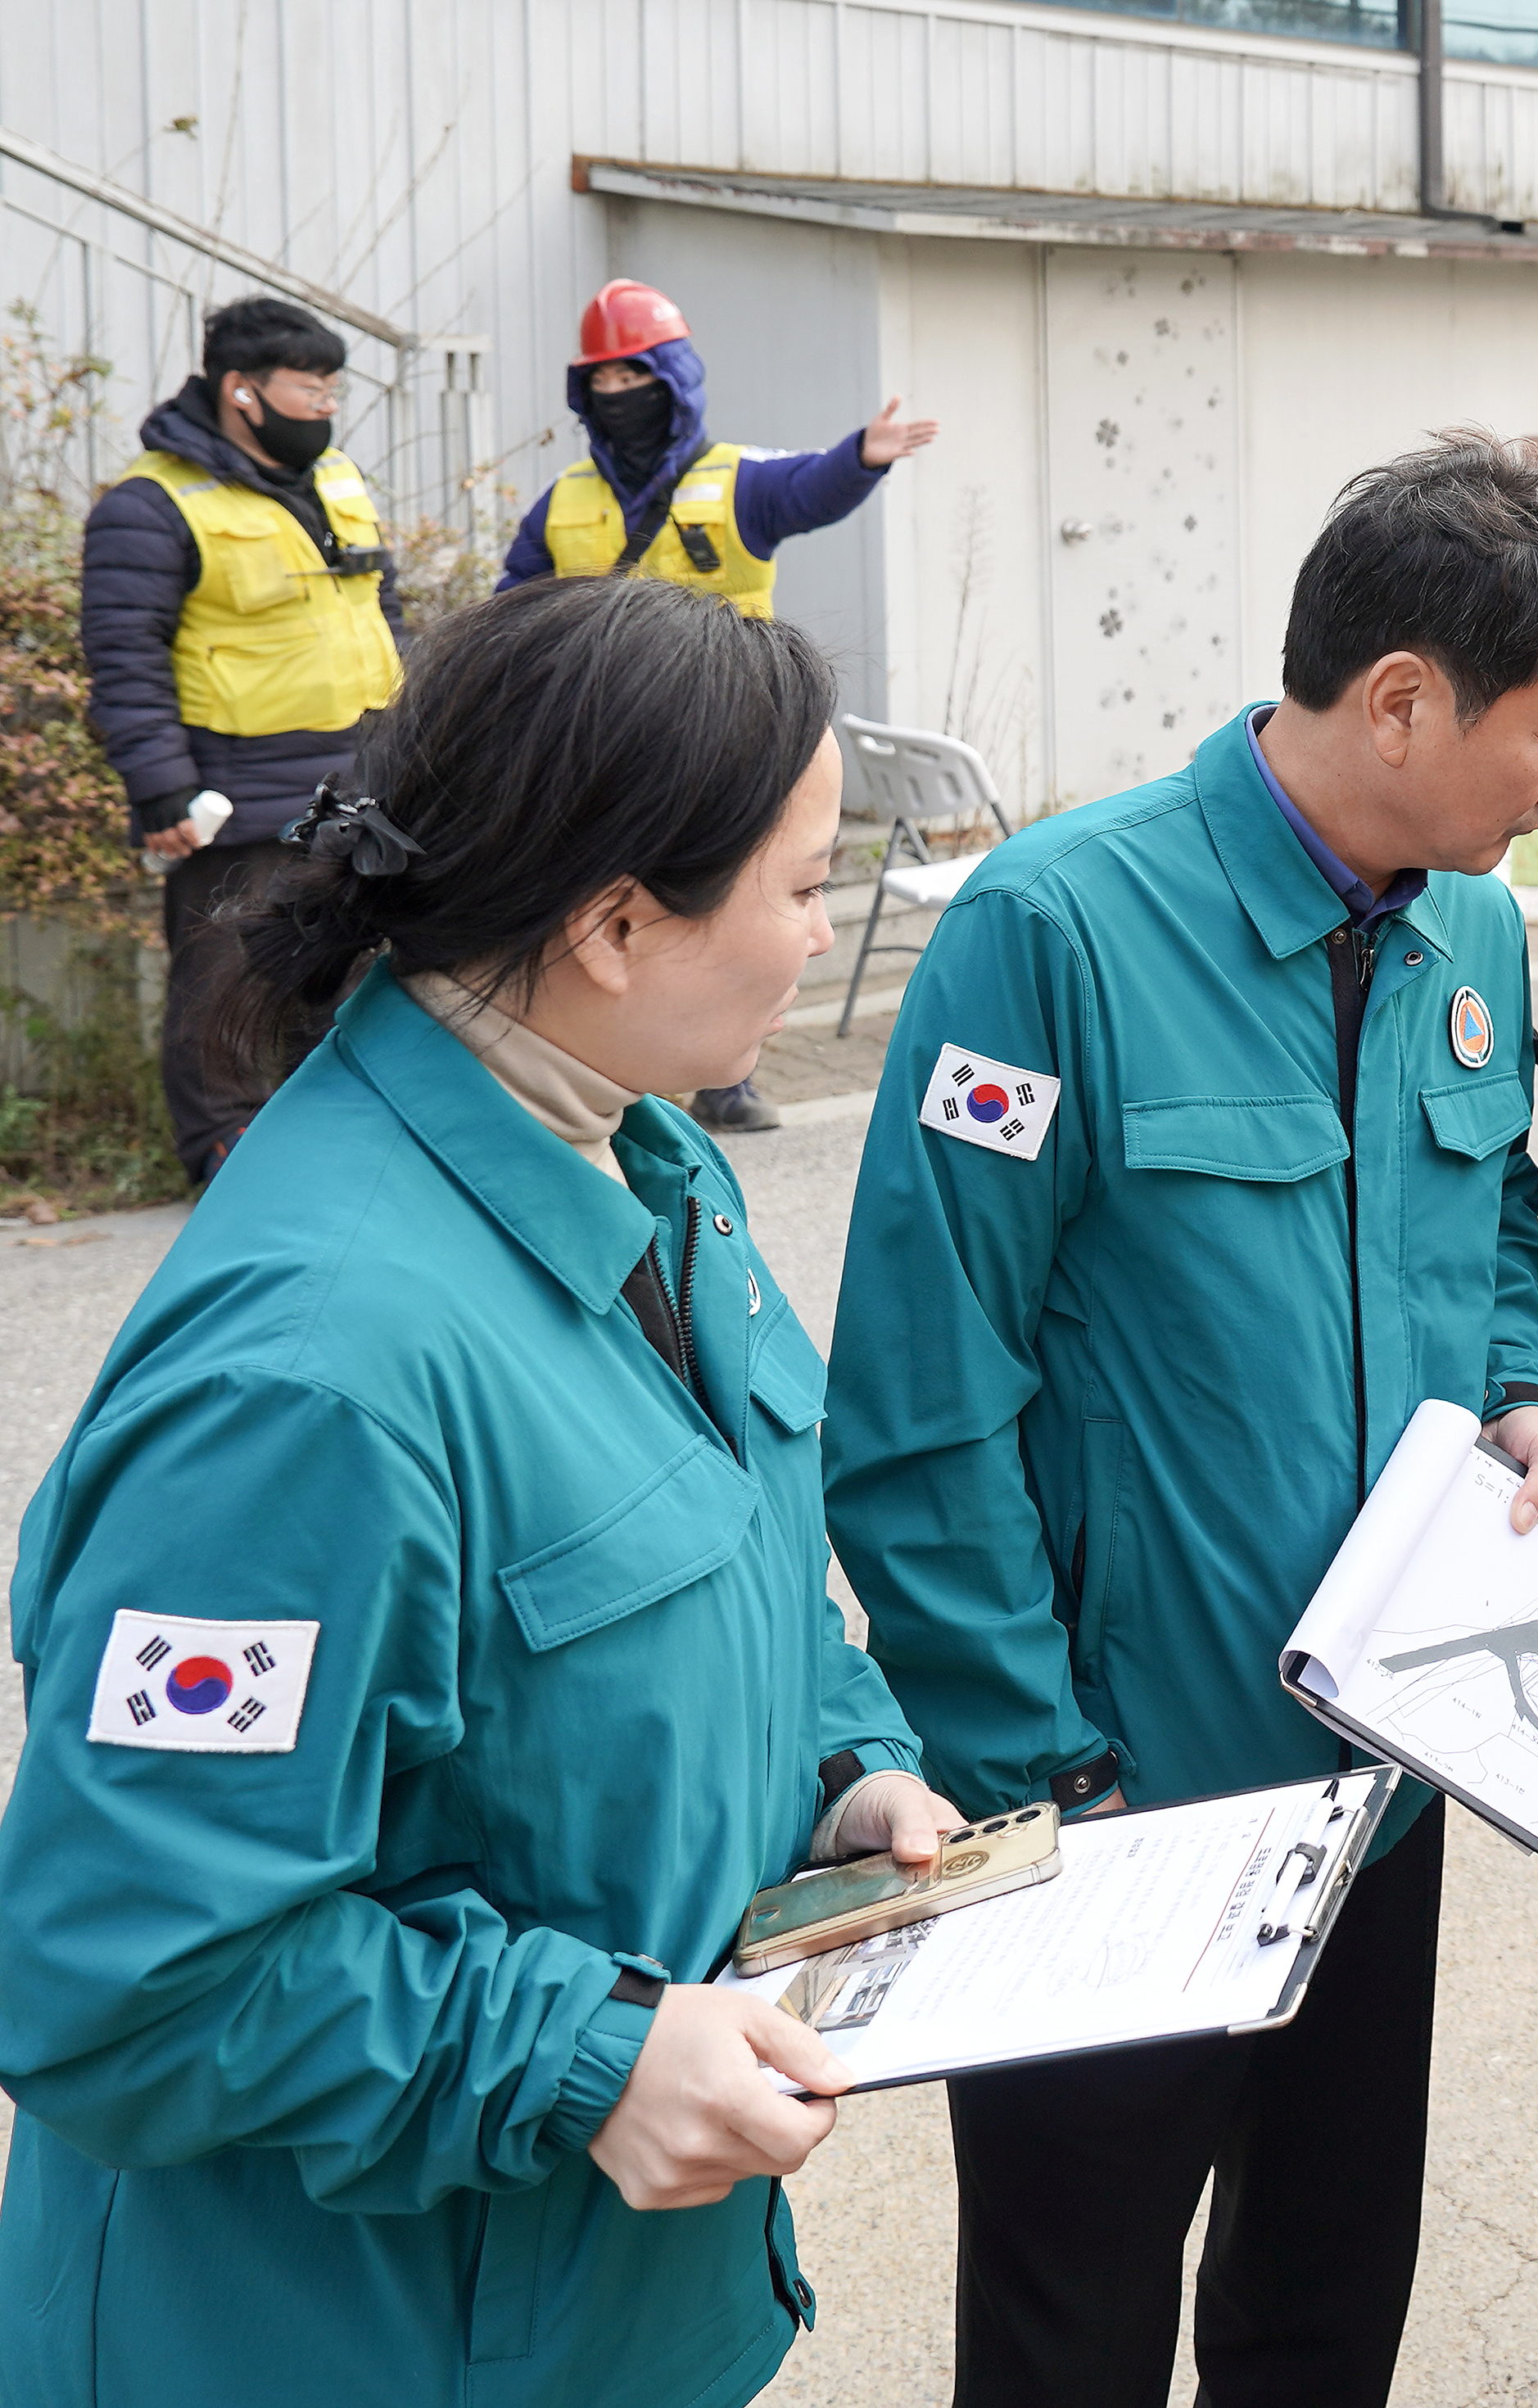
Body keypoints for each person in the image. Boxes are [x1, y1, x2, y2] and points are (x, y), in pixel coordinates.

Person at [0, 574, 961, 2408]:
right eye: (804, 884)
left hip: (594, 2315)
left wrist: (842, 1770)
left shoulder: (644, 1156)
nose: (826, 928)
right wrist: (584, 2058)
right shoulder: (309, 1381)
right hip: (343, 2343)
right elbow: (120, 1978)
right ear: (614, 921)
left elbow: (727, 1565)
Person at [823, 431, 1538, 2408]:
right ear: (1401, 701)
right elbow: (923, 1406)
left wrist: (1520, 1387)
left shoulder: (1464, 928)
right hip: (1121, 1802)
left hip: (1377, 1782)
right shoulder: (1057, 931)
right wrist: (1046, 1772)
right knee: (1075, 2333)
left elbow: (1494, 1211)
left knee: (1321, 2308)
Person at [499, 276, 941, 1134]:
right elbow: (514, 603)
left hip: (729, 733)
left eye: (636, 377)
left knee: (736, 897)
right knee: (617, 900)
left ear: (673, 380)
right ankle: (610, 1065)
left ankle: (728, 1077)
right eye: (604, 380)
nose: (619, 394)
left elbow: (807, 488)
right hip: (611, 738)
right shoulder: (564, 498)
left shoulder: (736, 480)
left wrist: (862, 456)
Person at [79, 295, 405, 1181]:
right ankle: (225, 1160)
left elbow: (384, 614)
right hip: (238, 788)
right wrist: (161, 788)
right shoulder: (152, 504)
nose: (326, 406)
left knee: (343, 978)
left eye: (334, 388)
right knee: (223, 985)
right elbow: (124, 657)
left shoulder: (335, 481)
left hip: (353, 776)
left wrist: (410, 735)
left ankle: (336, 1154)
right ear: (242, 392)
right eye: (310, 388)